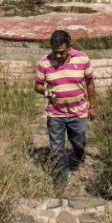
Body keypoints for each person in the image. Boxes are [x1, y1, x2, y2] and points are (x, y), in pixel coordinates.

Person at [34, 30, 97, 186]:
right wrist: (45, 91)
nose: (59, 56)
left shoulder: (83, 58)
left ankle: (79, 153)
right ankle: (60, 181)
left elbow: (90, 83)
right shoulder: (44, 62)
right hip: (55, 114)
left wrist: (93, 106)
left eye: (62, 52)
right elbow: (38, 85)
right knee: (56, 149)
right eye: (56, 52)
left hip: (79, 112)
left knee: (79, 140)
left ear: (70, 47)